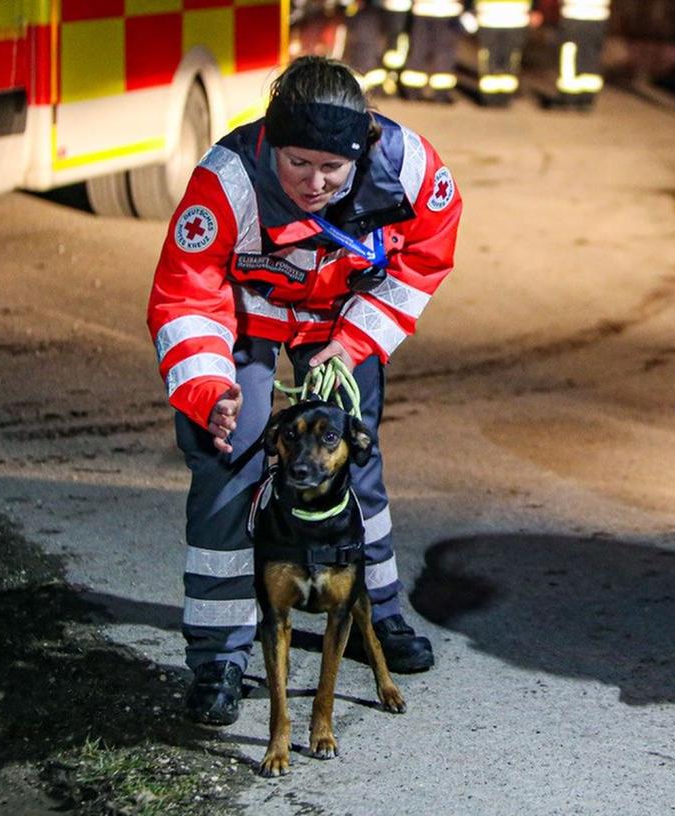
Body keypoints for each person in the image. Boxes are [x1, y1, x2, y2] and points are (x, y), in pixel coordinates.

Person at [147, 55, 463, 726]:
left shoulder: (410, 169)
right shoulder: (226, 181)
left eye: (332, 169)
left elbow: (426, 257)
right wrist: (211, 389)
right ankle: (220, 657)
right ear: (270, 140)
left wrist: (351, 344)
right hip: (245, 322)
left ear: (362, 149)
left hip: (342, 324)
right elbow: (186, 300)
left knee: (355, 464)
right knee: (229, 464)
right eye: (298, 164)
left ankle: (378, 616)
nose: (315, 183)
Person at [551, 0, 611, 110]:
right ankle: (587, 98)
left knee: (569, 54)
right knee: (591, 56)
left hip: (574, 14)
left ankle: (569, 97)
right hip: (599, 16)